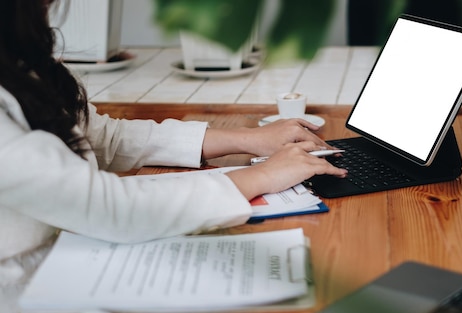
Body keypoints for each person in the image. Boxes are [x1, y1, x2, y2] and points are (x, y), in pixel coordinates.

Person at [0, 0, 347, 310]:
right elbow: (110, 208)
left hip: (71, 261)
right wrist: (262, 176)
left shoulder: (16, 60)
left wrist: (249, 139)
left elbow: (105, 138)